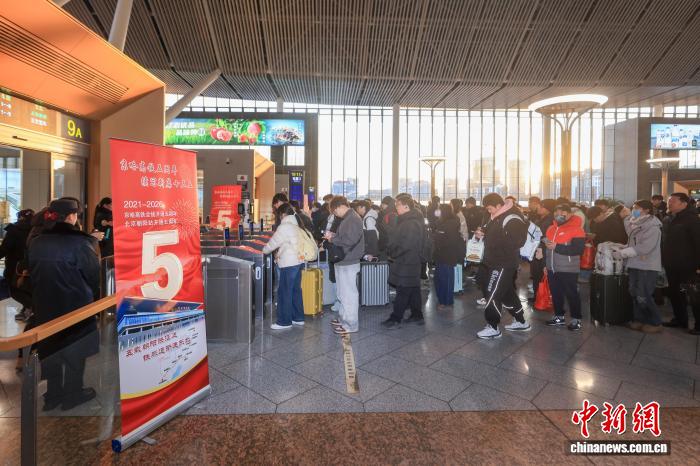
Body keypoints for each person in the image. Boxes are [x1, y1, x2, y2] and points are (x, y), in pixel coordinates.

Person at [29, 199, 100, 411]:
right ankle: (73, 394)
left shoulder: (36, 242)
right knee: (75, 350)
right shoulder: (81, 243)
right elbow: (93, 276)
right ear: (71, 217)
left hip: (45, 306)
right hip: (76, 307)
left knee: (50, 350)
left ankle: (52, 396)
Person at [475, 193, 529, 339]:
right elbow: (494, 233)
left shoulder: (512, 218)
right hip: (493, 261)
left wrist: (491, 239)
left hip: (503, 262)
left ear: (499, 205)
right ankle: (521, 321)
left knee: (491, 292)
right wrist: (483, 234)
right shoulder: (497, 215)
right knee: (506, 293)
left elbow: (518, 241)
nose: (489, 211)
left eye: (490, 208)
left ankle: (493, 327)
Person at [615, 200, 663, 333]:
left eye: (637, 208)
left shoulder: (652, 226)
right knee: (634, 292)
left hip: (647, 265)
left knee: (643, 294)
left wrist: (624, 253)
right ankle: (639, 319)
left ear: (646, 210)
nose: (634, 210)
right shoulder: (637, 223)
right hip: (634, 263)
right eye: (633, 208)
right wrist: (624, 248)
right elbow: (633, 240)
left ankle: (655, 322)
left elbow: (646, 247)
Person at [382, 193, 426, 328]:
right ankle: (417, 315)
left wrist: (393, 253)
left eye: (398, 205)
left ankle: (395, 318)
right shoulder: (409, 220)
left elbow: (406, 244)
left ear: (406, 206)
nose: (396, 207)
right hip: (410, 260)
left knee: (403, 290)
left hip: (408, 261)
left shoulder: (411, 223)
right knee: (413, 289)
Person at [660, 193, 700, 333]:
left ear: (684, 203)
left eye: (672, 201)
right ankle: (680, 320)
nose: (669, 203)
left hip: (688, 265)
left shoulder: (692, 219)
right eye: (669, 201)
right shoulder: (674, 218)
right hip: (672, 264)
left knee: (694, 295)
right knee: (675, 293)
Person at [262, 203, 306, 330]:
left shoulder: (285, 226)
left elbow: (274, 242)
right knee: (296, 290)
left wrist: (263, 250)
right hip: (298, 261)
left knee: (284, 291)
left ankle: (284, 321)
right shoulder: (296, 224)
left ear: (283, 214)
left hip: (288, 263)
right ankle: (298, 318)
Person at [325, 196, 364, 334]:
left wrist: (332, 238)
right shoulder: (348, 218)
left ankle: (351, 324)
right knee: (342, 293)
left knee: (349, 295)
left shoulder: (352, 219)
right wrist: (334, 236)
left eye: (335, 211)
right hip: (344, 260)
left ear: (341, 206)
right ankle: (343, 319)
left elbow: (349, 240)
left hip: (349, 261)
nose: (336, 214)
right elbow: (346, 238)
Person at [544, 204, 586, 331]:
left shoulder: (577, 229)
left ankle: (576, 319)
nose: (559, 216)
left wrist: (556, 247)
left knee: (571, 294)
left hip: (568, 268)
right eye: (556, 214)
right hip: (552, 267)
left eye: (562, 213)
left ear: (569, 214)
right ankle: (559, 316)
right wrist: (545, 264)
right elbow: (548, 248)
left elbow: (578, 249)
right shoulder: (551, 228)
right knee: (556, 293)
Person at [0, 209, 34, 321]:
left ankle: (31, 308)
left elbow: (5, 248)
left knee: (14, 290)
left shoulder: (14, 230)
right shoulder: (36, 229)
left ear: (20, 217)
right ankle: (27, 310)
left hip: (14, 266)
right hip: (31, 265)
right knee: (27, 289)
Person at [433, 204, 464, 308]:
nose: (438, 212)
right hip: (441, 255)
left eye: (439, 210)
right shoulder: (443, 222)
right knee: (440, 279)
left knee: (445, 279)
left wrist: (437, 240)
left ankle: (445, 301)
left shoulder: (450, 224)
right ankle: (444, 300)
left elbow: (451, 241)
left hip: (447, 255)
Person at [530, 199, 556, 304]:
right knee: (536, 274)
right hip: (537, 249)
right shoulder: (541, 218)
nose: (538, 208)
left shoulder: (550, 221)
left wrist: (541, 238)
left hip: (543, 251)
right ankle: (537, 296)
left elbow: (547, 238)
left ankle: (543, 298)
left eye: (541, 206)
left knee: (541, 274)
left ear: (547, 209)